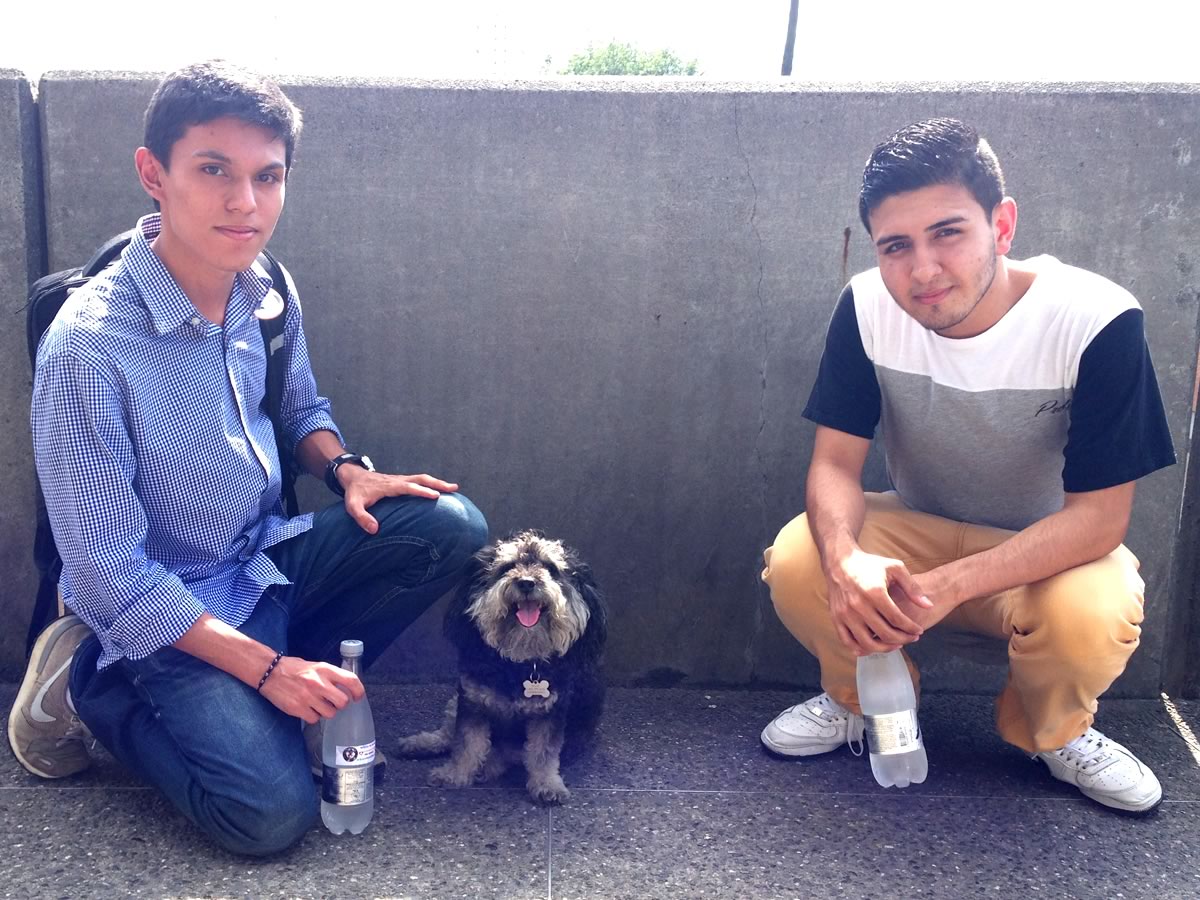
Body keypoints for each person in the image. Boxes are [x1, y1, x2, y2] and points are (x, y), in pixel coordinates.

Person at [7, 60, 488, 854]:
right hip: (158, 611)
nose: (245, 203)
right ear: (152, 175)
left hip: (261, 560)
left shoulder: (263, 286)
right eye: (214, 171)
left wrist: (343, 470)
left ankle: (268, 689)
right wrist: (265, 672)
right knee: (269, 815)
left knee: (449, 525)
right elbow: (105, 572)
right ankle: (94, 689)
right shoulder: (88, 350)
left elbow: (299, 406)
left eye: (268, 177)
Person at [759, 118, 1175, 813]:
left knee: (1090, 614)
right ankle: (866, 702)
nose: (921, 270)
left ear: (1002, 224)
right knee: (804, 557)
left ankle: (1052, 733)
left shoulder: (1096, 319)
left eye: (947, 232)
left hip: (1046, 550)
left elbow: (1101, 519)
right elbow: (834, 463)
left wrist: (952, 585)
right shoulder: (866, 305)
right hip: (916, 523)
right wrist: (847, 561)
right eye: (896, 246)